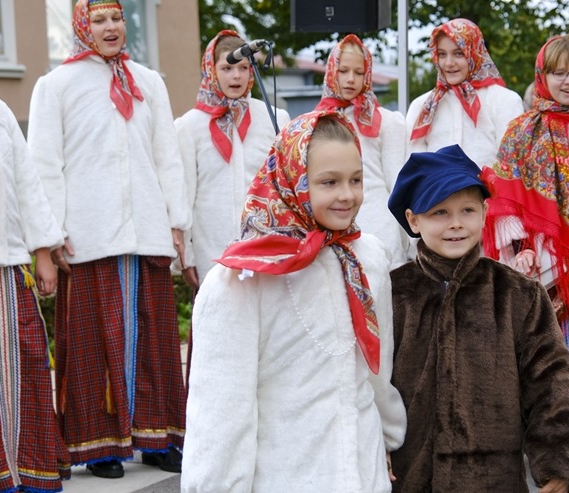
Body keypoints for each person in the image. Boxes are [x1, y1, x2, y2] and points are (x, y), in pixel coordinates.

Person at [181, 110, 407, 492]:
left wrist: (388, 440)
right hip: (285, 477)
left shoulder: (367, 258)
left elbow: (377, 371)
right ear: (291, 180)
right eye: (329, 182)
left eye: (356, 179)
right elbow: (221, 417)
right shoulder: (240, 281)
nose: (347, 195)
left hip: (364, 474)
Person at [26, 0, 189, 479]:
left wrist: (176, 221)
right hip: (87, 237)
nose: (111, 27)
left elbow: (167, 156)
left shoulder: (149, 81)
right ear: (82, 26)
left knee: (154, 340)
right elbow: (44, 166)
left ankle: (157, 439)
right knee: (92, 342)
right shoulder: (55, 86)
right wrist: (49, 238)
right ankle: (98, 446)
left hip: (146, 232)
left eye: (116, 18)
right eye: (99, 20)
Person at [387, 144, 569, 492]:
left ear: (484, 212)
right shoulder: (392, 294)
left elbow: (549, 387)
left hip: (494, 479)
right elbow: (369, 386)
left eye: (467, 210)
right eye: (439, 212)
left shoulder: (519, 295)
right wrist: (376, 446)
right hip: (411, 476)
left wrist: (557, 463)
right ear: (413, 220)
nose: (455, 224)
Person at [482, 35, 569, 492]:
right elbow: (505, 197)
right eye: (559, 72)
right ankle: (545, 463)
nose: (568, 80)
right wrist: (518, 247)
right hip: (544, 269)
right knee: (544, 370)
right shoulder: (522, 129)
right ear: (543, 76)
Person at [0, 95, 70, 492]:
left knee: (25, 364)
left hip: (5, 263)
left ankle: (25, 471)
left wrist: (43, 252)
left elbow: (27, 183)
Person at [176, 29, 290, 288]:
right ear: (211, 69)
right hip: (213, 246)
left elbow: (284, 187)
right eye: (227, 68)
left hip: (265, 243)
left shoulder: (274, 119)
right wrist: (187, 257)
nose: (236, 75)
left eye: (243, 67)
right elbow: (185, 194)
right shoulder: (190, 126)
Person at [315, 34, 409, 268]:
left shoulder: (388, 122)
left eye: (359, 72)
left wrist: (409, 240)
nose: (350, 79)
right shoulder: (317, 122)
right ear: (331, 71)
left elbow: (398, 184)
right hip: (332, 227)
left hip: (379, 227)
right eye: (343, 71)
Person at [405, 18, 524, 169]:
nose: (448, 63)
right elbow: (414, 163)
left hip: (490, 191)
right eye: (442, 54)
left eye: (458, 53)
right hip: (437, 192)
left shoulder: (505, 100)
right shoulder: (423, 106)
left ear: (474, 52)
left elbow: (511, 164)